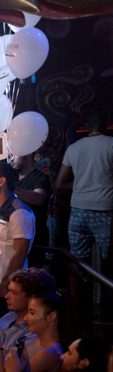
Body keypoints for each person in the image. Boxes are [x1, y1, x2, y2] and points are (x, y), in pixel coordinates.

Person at [55, 110, 113, 263]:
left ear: (86, 126)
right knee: (109, 258)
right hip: (104, 209)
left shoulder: (73, 148)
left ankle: (77, 280)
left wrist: (81, 183)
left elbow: (58, 185)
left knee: (77, 260)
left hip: (78, 211)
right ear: (107, 124)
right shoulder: (110, 144)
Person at [0, 160, 35, 314]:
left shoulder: (19, 213)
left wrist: (5, 285)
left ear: (1, 181)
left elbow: (20, 253)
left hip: (10, 289)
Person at [13, 153, 52, 247]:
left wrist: (10, 188)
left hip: (34, 238)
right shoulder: (12, 177)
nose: (12, 159)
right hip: (14, 236)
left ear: (28, 155)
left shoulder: (40, 178)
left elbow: (38, 198)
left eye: (15, 155)